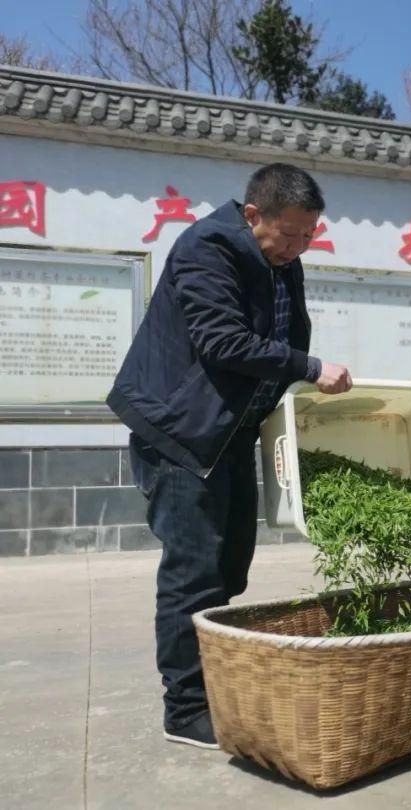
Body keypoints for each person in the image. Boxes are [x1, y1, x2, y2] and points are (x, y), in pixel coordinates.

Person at [107, 163, 353, 749]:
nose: (297, 248)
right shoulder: (208, 247)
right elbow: (223, 342)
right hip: (183, 432)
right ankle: (187, 708)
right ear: (252, 216)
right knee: (194, 572)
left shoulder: (280, 262)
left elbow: (289, 335)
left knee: (230, 565)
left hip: (233, 432)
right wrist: (312, 370)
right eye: (289, 235)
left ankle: (215, 680)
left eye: (308, 236)